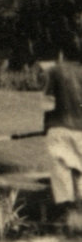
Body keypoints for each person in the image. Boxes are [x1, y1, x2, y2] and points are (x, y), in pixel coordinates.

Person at [43, 60, 82, 228]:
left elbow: (47, 104)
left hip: (57, 131)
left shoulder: (54, 71)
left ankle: (70, 220)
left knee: (62, 184)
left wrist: (46, 127)